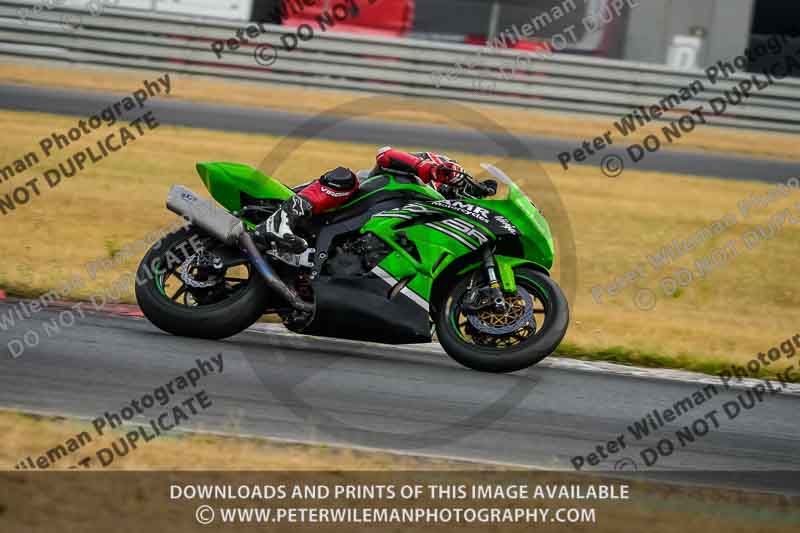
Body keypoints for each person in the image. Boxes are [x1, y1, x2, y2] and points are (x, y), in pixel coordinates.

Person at [255, 146, 465, 253]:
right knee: (345, 179)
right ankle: (280, 220)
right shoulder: (426, 170)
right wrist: (430, 168)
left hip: (343, 237)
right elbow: (385, 154)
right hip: (328, 205)